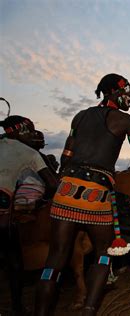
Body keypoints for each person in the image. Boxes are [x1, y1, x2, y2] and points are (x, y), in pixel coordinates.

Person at [35, 73, 130, 315]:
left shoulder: (79, 117)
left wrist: (60, 185)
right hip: (96, 194)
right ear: (115, 93)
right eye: (127, 92)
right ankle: (89, 309)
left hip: (66, 190)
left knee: (54, 260)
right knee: (103, 255)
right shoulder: (126, 121)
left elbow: (66, 157)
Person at [0, 115, 58, 315]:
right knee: (15, 263)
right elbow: (52, 184)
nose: (34, 135)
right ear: (19, 130)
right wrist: (41, 202)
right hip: (3, 217)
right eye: (31, 131)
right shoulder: (29, 153)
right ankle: (17, 308)